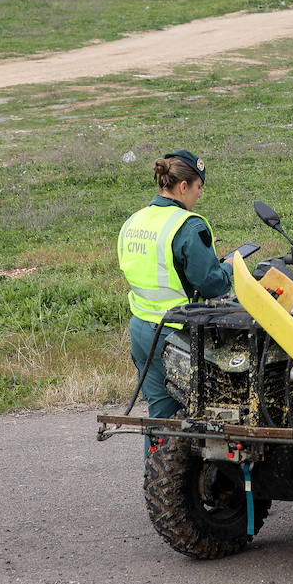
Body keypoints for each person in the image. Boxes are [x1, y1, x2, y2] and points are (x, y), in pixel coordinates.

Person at [117, 150, 233, 419]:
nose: (199, 195)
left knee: (160, 415)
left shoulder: (133, 221)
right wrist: (229, 267)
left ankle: (156, 461)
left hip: (142, 330)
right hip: (176, 333)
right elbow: (213, 285)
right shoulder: (187, 227)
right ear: (183, 186)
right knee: (204, 414)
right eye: (198, 187)